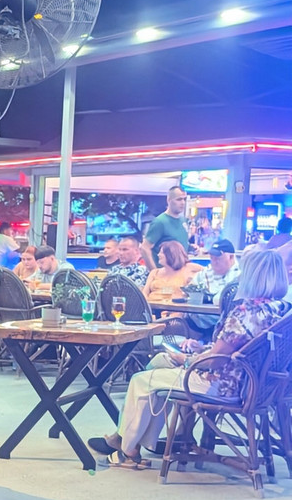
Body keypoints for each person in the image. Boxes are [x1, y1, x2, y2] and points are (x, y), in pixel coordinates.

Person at [88, 250, 289, 468]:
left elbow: (215, 361)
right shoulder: (280, 311)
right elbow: (240, 349)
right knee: (159, 362)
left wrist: (185, 359)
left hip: (223, 385)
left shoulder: (246, 312)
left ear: (251, 276)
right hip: (253, 384)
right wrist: (201, 348)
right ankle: (136, 438)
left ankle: (128, 450)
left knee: (141, 380)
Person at [187, 238, 240, 334]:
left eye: (218, 258)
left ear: (231, 257)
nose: (213, 261)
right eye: (212, 258)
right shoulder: (206, 272)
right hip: (197, 321)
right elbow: (190, 289)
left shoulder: (239, 276)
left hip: (227, 324)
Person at [141, 185, 189, 270]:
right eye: (179, 199)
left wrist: (191, 247)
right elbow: (145, 248)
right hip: (165, 273)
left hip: (180, 272)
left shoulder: (183, 221)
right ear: (169, 200)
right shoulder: (160, 222)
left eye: (184, 199)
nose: (182, 203)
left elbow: (178, 243)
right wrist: (154, 272)